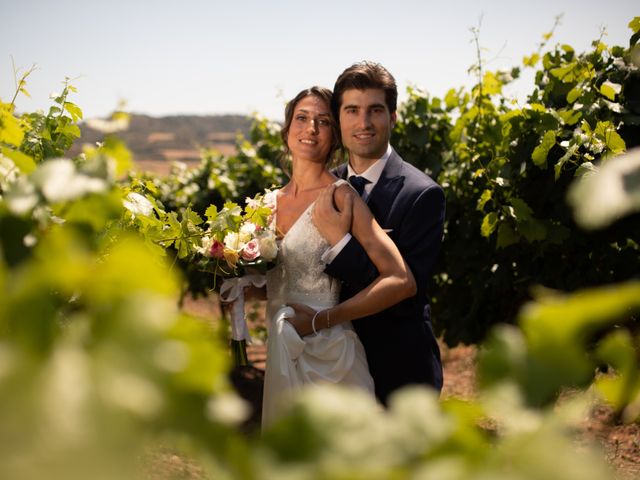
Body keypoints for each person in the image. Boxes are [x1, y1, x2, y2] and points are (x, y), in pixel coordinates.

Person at [261, 86, 417, 427]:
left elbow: (401, 280)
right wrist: (240, 284)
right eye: (301, 118)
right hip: (281, 349)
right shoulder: (266, 204)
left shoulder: (341, 197)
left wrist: (322, 319)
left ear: (334, 137)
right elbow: (281, 279)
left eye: (323, 121)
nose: (311, 128)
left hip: (329, 356)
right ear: (286, 130)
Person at [308, 61, 446, 406]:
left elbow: (404, 294)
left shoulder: (422, 194)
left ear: (393, 117)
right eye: (352, 110)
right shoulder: (322, 186)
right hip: (329, 368)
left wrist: (341, 243)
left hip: (398, 374)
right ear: (338, 119)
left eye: (375, 110)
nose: (364, 123)